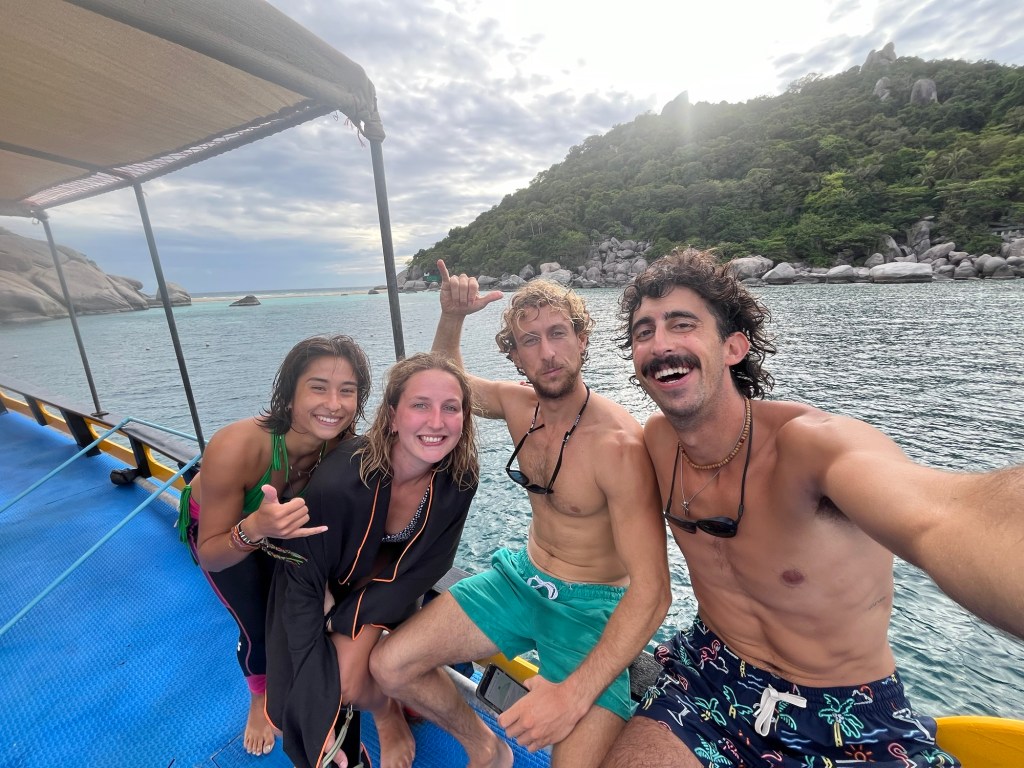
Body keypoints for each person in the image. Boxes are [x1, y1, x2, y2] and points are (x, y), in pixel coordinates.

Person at [603, 247, 1024, 768]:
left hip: (846, 708)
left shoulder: (810, 446)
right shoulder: (657, 443)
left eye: (682, 324)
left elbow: (943, 516)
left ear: (733, 347)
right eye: (643, 332)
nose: (661, 344)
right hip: (708, 675)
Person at [370, 260, 672, 768]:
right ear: (514, 354)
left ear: (581, 339)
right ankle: (485, 747)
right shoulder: (517, 405)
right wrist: (452, 317)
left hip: (588, 610)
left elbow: (655, 591)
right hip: (520, 579)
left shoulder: (619, 446)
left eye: (558, 333)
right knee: (389, 665)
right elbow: (450, 383)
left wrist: (573, 695)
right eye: (530, 340)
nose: (548, 352)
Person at [265, 351, 480, 768]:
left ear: (464, 418)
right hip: (320, 581)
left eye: (450, 408)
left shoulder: (459, 479)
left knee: (347, 681)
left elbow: (431, 565)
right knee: (324, 689)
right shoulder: (343, 478)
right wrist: (311, 692)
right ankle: (386, 711)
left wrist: (344, 619)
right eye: (421, 405)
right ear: (393, 416)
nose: (436, 422)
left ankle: (386, 710)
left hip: (392, 584)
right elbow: (301, 577)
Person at [177, 334, 371, 756]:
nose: (333, 404)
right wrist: (254, 528)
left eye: (347, 391)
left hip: (280, 529)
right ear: (289, 394)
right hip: (224, 531)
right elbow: (211, 553)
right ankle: (259, 699)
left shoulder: (343, 446)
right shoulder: (238, 446)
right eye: (318, 387)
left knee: (303, 612)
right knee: (256, 626)